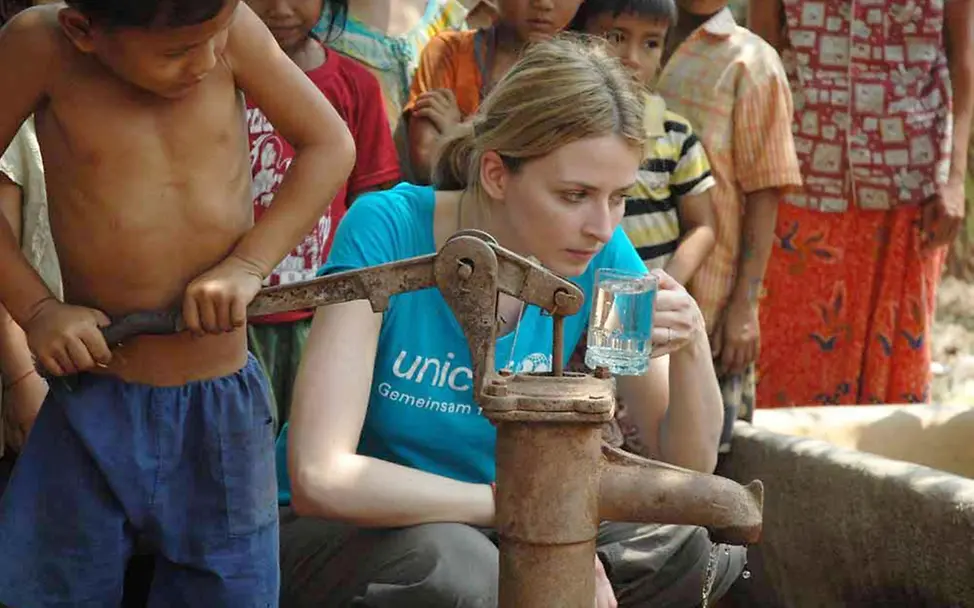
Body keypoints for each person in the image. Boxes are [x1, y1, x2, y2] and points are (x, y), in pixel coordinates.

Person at [278, 36, 745, 608]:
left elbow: (684, 470)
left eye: (618, 197)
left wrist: (691, 346)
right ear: (497, 174)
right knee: (460, 570)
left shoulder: (601, 256)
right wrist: (535, 521)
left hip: (500, 517)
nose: (601, 224)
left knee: (678, 547)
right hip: (361, 530)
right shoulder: (388, 230)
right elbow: (320, 476)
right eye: (574, 195)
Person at [0, 0, 356, 605]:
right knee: (53, 588)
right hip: (91, 394)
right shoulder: (39, 47)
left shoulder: (230, 25)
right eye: (177, 53)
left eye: (216, 39)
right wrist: (36, 309)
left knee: (226, 589)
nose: (208, 60)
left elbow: (330, 145)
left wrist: (249, 264)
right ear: (84, 30)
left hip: (221, 407)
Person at [749, 0, 974, 407]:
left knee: (895, 361)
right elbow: (761, 50)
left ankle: (883, 468)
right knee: (793, 349)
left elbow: (964, 60)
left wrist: (955, 179)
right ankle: (793, 466)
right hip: (804, 180)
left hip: (910, 186)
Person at [653, 0, 801, 450]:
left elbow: (766, 190)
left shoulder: (750, 63)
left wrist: (744, 306)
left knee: (709, 464)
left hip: (711, 307)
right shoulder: (632, 33)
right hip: (627, 302)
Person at [246, 0, 401, 427]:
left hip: (322, 313)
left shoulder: (355, 86)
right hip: (229, 316)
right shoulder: (211, 83)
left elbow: (373, 205)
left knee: (312, 432)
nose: (279, 7)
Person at [574, 0, 715, 282]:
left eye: (651, 43)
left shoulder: (674, 134)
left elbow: (703, 226)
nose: (633, 57)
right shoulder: (567, 129)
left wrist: (662, 284)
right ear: (579, 38)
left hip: (642, 309)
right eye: (616, 37)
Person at [405, 0, 583, 182]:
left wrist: (457, 133)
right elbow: (427, 165)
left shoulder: (581, 80)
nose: (544, 4)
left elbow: (558, 179)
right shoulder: (449, 52)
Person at [313, 0, 469, 177]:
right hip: (356, 191)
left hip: (441, 194)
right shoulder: (310, 24)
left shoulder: (445, 16)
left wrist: (457, 130)